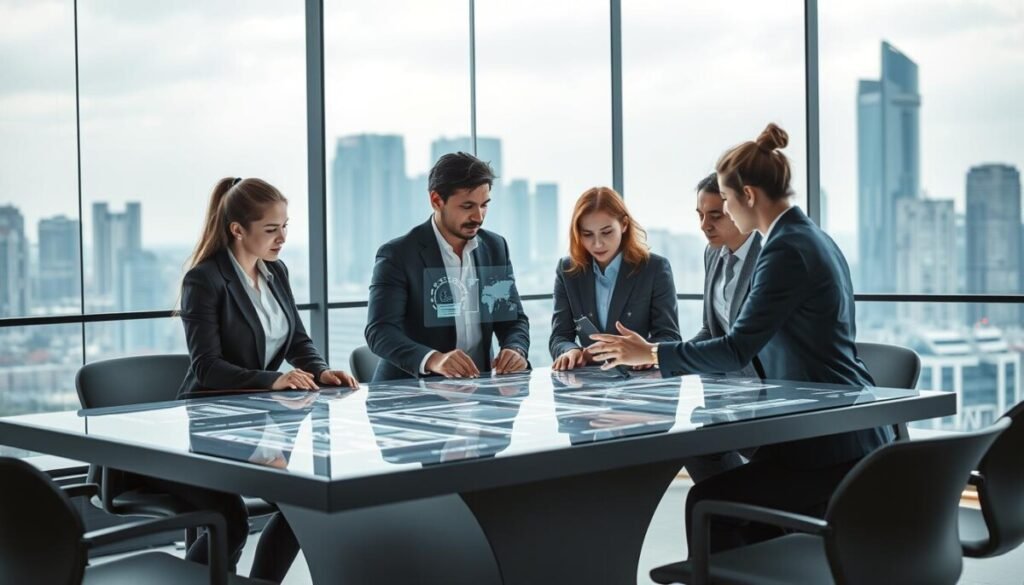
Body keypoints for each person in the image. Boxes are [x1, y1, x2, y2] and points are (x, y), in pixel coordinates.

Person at [588, 123, 893, 552]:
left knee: (707, 500)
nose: (726, 214)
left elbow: (737, 347)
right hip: (829, 428)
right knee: (722, 490)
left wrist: (654, 351)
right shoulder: (809, 237)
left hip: (829, 446)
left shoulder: (786, 249)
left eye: (727, 202)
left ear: (748, 195)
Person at [172, 177, 359, 582]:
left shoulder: (276, 272)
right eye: (271, 229)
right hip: (211, 421)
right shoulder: (204, 280)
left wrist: (322, 370)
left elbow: (297, 339)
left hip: (263, 419)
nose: (282, 238)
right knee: (231, 521)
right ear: (238, 229)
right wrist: (273, 380)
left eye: (285, 226)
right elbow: (207, 367)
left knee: (303, 503)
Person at [365, 152, 531, 381]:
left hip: (479, 391)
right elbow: (380, 332)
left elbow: (512, 320)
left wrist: (515, 349)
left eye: (484, 205)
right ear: (436, 200)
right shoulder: (398, 255)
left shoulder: (494, 247)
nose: (479, 216)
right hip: (409, 394)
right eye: (467, 206)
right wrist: (434, 360)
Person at [549, 186, 680, 371]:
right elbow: (560, 337)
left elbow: (670, 337)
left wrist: (648, 353)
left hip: (640, 384)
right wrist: (570, 351)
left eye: (607, 232)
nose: (597, 243)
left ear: (624, 225)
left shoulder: (654, 269)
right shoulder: (567, 271)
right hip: (586, 387)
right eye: (587, 234)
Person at [691, 173, 762, 378]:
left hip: (772, 383)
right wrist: (657, 357)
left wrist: (660, 355)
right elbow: (711, 331)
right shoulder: (712, 252)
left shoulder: (768, 254)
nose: (704, 225)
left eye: (715, 216)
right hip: (728, 387)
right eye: (700, 215)